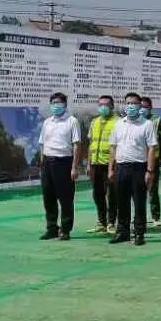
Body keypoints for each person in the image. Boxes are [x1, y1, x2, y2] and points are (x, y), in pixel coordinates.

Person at [108, 93, 158, 246]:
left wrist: (149, 171)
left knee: (139, 202)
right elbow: (113, 147)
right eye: (128, 103)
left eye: (134, 103)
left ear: (139, 106)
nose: (130, 106)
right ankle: (122, 232)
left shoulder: (146, 124)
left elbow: (152, 148)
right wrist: (111, 168)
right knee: (121, 202)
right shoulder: (118, 124)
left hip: (139, 168)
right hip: (121, 167)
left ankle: (139, 233)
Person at [38, 92, 81, 241]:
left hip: (64, 162)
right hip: (47, 163)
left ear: (64, 105)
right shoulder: (47, 122)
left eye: (58, 103)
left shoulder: (72, 121)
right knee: (48, 197)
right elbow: (42, 144)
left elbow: (76, 145)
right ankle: (52, 228)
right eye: (53, 103)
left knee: (65, 198)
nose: (56, 106)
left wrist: (74, 167)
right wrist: (42, 164)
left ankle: (66, 229)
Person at [87, 95, 118, 234]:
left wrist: (113, 166)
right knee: (97, 194)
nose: (103, 107)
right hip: (95, 163)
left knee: (112, 195)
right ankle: (101, 222)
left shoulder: (118, 122)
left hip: (110, 164)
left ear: (112, 106)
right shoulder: (94, 122)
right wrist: (88, 163)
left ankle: (111, 223)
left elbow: (118, 146)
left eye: (106, 105)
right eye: (100, 104)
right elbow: (90, 144)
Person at [139, 97, 161, 227]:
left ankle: (156, 216)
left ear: (150, 108)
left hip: (152, 161)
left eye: (146, 107)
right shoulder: (135, 121)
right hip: (137, 160)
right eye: (141, 106)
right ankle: (138, 216)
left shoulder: (157, 120)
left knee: (152, 190)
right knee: (137, 190)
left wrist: (157, 158)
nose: (143, 109)